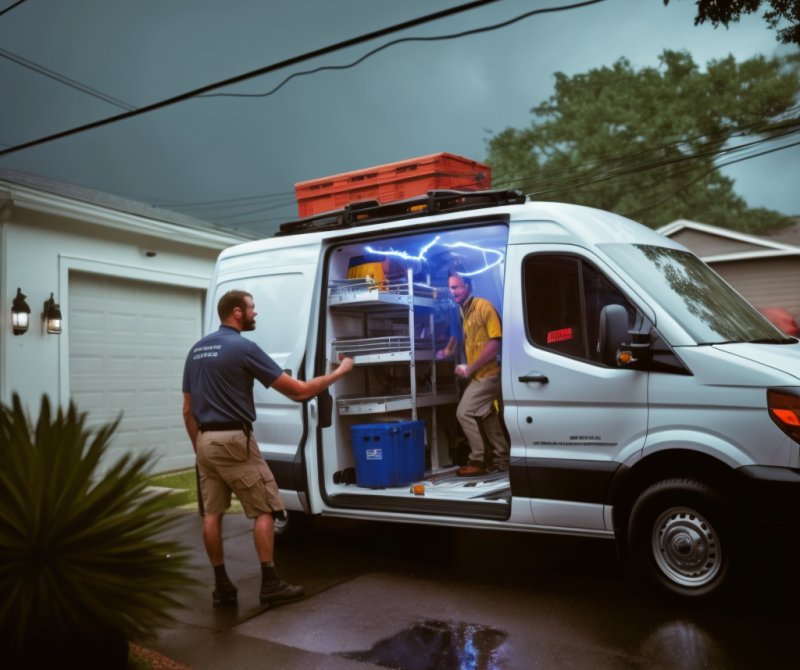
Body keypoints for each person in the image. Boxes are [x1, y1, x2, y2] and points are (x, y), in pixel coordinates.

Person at [182, 289, 354, 608]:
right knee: (266, 508)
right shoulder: (244, 348)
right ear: (236, 312)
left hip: (204, 440)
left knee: (212, 514)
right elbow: (299, 393)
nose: (255, 314)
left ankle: (222, 587)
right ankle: (270, 584)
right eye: (251, 309)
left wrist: (201, 450)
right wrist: (340, 372)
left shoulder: (196, 351)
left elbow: (187, 409)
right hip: (235, 439)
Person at [437, 272, 509, 476]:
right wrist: (450, 352)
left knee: (464, 412)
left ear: (468, 286)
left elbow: (495, 345)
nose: (454, 292)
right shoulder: (464, 311)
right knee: (486, 415)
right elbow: (465, 341)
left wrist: (471, 367)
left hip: (489, 373)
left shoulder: (483, 307)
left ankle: (477, 460)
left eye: (458, 287)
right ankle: (503, 459)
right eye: (451, 288)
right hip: (480, 374)